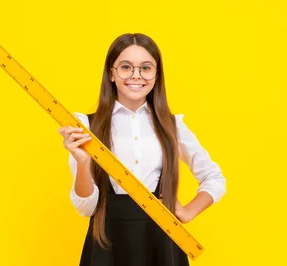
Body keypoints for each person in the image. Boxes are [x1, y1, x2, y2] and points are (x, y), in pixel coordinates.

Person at [57, 33, 226, 266]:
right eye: (126, 67)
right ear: (111, 73)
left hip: (163, 245)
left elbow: (214, 178)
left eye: (146, 68)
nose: (136, 76)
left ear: (157, 75)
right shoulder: (87, 127)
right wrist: (84, 163)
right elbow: (86, 208)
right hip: (107, 247)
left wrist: (188, 212)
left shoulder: (172, 125)